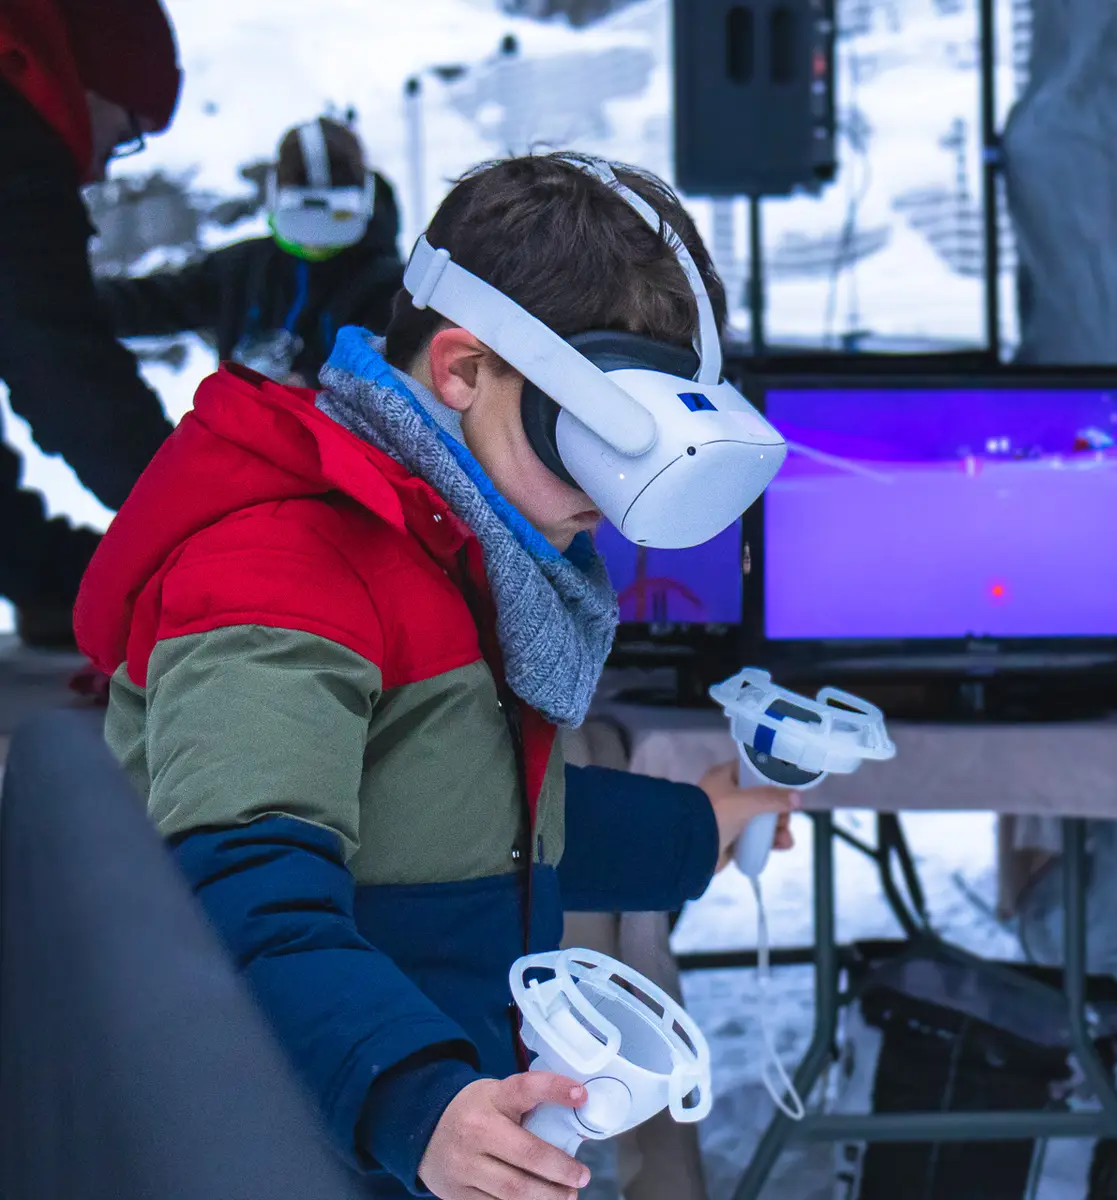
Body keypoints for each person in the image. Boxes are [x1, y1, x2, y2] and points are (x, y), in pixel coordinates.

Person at [74, 153, 798, 1199]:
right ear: (463, 372)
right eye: (597, 440)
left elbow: (463, 814)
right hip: (279, 1146)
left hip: (404, 1141)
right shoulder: (278, 568)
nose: (620, 500)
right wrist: (418, 1106)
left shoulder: (457, 547)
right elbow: (236, 901)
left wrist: (696, 827)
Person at [0, 0, 181, 646]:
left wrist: (50, 577)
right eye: (127, 134)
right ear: (86, 81)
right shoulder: (13, 143)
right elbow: (61, 365)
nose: (103, 166)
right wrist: (200, 526)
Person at [98, 116, 406, 389]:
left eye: (336, 218)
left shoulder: (393, 292)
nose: (316, 239)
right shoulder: (240, 271)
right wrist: (69, 300)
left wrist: (306, 383)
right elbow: (151, 302)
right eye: (301, 216)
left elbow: (387, 373)